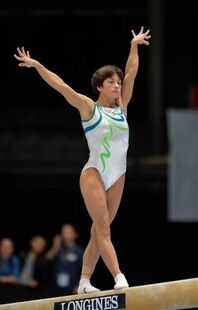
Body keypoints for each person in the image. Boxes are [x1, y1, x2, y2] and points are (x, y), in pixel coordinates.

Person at [14, 26, 151, 293]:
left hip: (118, 174)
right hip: (95, 173)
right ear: (100, 86)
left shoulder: (122, 107)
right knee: (102, 227)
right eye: (112, 82)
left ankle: (85, 281)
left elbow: (132, 71)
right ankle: (119, 276)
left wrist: (134, 46)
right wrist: (37, 65)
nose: (117, 85)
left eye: (118, 82)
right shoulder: (89, 107)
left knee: (97, 232)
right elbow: (61, 86)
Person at [46, 223, 83, 294]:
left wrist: (79, 285)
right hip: (55, 288)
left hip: (72, 288)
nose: (64, 233)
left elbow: (84, 269)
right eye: (63, 231)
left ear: (75, 234)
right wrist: (55, 247)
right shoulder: (57, 249)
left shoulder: (79, 251)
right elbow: (46, 260)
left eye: (68, 231)